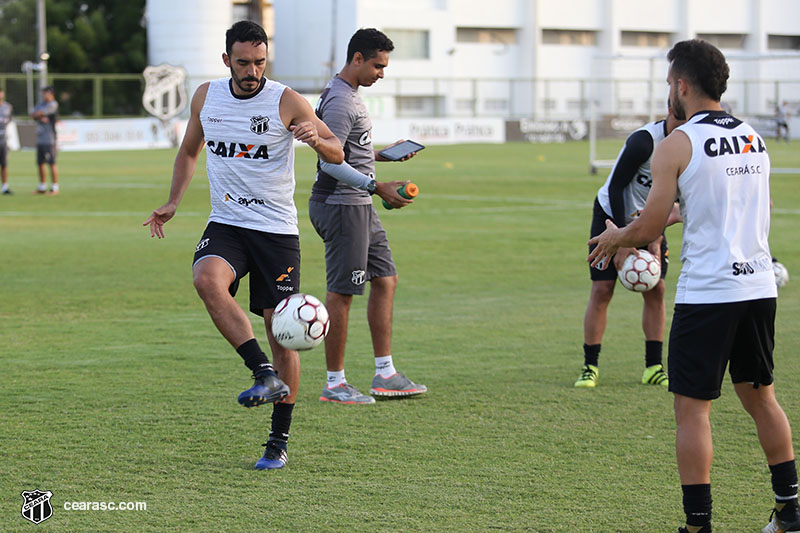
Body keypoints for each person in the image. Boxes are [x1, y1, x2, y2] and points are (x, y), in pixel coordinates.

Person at [588, 39, 799, 533]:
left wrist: (617, 236)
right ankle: (790, 510)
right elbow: (740, 207)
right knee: (761, 396)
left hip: (709, 292)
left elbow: (646, 228)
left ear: (682, 85)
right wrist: (676, 215)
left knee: (691, 410)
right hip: (758, 286)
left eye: (669, 84)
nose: (669, 92)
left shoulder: (675, 144)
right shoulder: (753, 137)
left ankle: (697, 525)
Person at [143, 21, 343, 470]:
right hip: (228, 222)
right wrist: (174, 201)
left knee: (283, 334)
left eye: (259, 61)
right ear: (226, 61)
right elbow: (190, 150)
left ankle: (278, 440)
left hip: (276, 232)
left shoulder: (286, 100)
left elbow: (337, 151)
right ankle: (262, 374)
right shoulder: (206, 96)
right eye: (243, 62)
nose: (253, 70)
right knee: (206, 279)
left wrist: (317, 140)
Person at [309, 28, 427, 404]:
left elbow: (345, 149)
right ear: (357, 59)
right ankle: (334, 382)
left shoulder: (347, 96)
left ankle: (385, 373)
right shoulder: (342, 102)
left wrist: (378, 154)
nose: (381, 73)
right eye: (377, 65)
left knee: (386, 280)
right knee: (343, 293)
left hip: (358, 204)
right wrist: (378, 187)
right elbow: (329, 164)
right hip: (342, 205)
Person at [575, 102, 683, 389]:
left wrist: (655, 236)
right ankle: (590, 367)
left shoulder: (690, 147)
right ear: (671, 113)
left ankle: (654, 367)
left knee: (656, 288)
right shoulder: (644, 141)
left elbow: (677, 201)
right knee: (602, 289)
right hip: (611, 214)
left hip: (651, 218)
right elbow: (615, 186)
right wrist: (622, 239)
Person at [31, 86, 59, 195]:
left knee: (51, 163)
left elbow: (38, 114)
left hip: (49, 139)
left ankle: (54, 187)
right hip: (40, 138)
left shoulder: (53, 104)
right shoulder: (41, 104)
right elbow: (33, 114)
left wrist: (38, 115)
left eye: (45, 93)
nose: (43, 95)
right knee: (40, 163)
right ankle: (42, 186)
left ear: (50, 93)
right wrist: (38, 115)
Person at [0, 89, 12, 195]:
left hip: (3, 140)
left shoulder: (8, 107)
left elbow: (9, 121)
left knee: (4, 164)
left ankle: (5, 187)